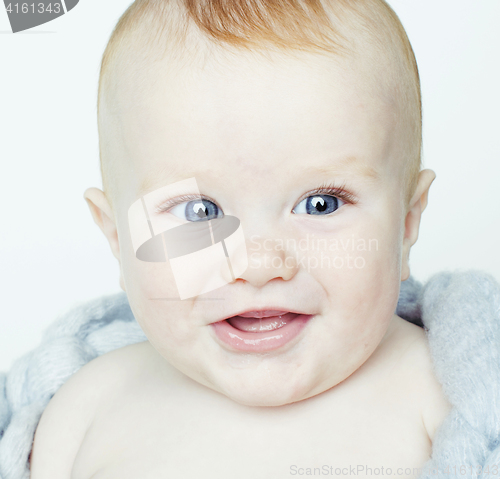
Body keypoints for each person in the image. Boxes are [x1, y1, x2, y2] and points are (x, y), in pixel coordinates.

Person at [29, 0, 453, 477]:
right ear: (118, 237)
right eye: (200, 212)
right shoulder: (86, 410)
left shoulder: (441, 395)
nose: (257, 263)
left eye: (320, 204)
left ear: (406, 224)